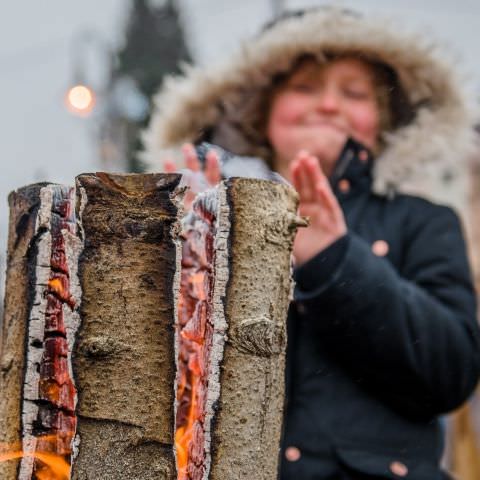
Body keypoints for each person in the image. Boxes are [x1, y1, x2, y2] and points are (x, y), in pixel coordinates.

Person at [143, 7, 480, 479]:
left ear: (381, 119)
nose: (328, 104)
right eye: (303, 87)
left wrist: (335, 259)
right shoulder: (207, 215)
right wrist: (186, 256)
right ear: (262, 113)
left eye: (355, 92)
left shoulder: (423, 221)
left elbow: (451, 371)